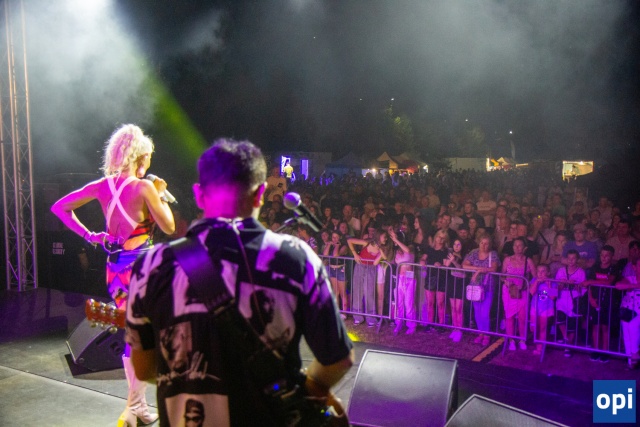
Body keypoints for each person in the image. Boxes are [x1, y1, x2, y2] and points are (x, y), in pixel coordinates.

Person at [125, 139, 354, 426]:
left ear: (199, 195)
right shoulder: (297, 258)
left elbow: (144, 368)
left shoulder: (151, 265)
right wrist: (310, 389)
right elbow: (338, 359)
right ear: (260, 194)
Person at [51, 124, 175, 427]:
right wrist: (161, 193)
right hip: (142, 269)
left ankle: (137, 406)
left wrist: (90, 236)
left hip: (116, 269)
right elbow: (169, 226)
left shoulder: (102, 185)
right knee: (146, 336)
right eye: (148, 157)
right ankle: (134, 407)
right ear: (141, 156)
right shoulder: (145, 188)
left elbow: (59, 207)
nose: (149, 163)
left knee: (133, 334)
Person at [584, 245, 620, 363]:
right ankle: (595, 350)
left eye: (607, 255)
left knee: (605, 327)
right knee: (595, 326)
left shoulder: (614, 269)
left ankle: (605, 352)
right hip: (595, 301)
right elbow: (589, 286)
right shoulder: (595, 267)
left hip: (608, 302)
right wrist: (591, 299)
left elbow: (609, 282)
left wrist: (591, 281)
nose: (604, 258)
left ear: (612, 256)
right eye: (602, 255)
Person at [463, 234, 500, 347]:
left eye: (486, 243)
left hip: (488, 286)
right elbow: (464, 265)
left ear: (490, 245)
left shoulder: (493, 254)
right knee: (477, 312)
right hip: (475, 286)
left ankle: (487, 334)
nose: (484, 245)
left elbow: (494, 268)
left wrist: (478, 271)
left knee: (485, 312)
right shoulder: (474, 252)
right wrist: (479, 269)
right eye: (482, 243)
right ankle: (481, 333)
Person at [501, 237, 536, 351]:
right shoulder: (507, 260)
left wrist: (526, 285)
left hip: (523, 292)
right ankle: (511, 340)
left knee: (522, 317)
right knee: (509, 317)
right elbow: (501, 275)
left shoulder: (528, 261)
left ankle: (522, 340)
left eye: (520, 245)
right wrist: (506, 282)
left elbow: (535, 277)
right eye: (515, 245)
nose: (517, 247)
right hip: (508, 291)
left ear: (525, 248)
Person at [615, 241, 640, 369]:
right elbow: (618, 285)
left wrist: (632, 287)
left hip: (638, 310)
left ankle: (635, 356)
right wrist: (634, 285)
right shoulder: (630, 276)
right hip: (627, 307)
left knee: (634, 331)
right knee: (626, 332)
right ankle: (630, 361)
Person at [529, 264, 556, 356]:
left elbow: (553, 297)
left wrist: (549, 285)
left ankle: (540, 348)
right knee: (533, 327)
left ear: (548, 273)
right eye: (538, 271)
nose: (540, 273)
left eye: (543, 271)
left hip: (546, 309)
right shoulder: (534, 280)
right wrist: (536, 282)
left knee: (542, 328)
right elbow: (531, 292)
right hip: (534, 307)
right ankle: (537, 342)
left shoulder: (553, 282)